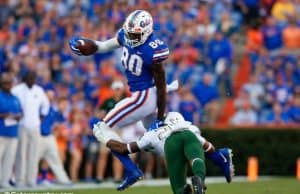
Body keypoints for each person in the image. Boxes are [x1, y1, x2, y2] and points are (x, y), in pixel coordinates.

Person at [70, 10, 173, 190]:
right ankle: (215, 156)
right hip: (140, 96)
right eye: (129, 32)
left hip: (143, 97)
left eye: (135, 34)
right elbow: (102, 46)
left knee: (99, 127)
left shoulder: (153, 50)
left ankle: (132, 169)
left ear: (147, 31)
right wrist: (87, 45)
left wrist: (160, 117)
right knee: (162, 143)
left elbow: (162, 87)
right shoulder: (126, 35)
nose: (131, 37)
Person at [99, 112, 234, 194]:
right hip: (188, 135)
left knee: (178, 187)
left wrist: (106, 139)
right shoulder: (185, 124)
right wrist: (218, 156)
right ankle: (199, 179)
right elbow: (207, 147)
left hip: (170, 145)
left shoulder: (150, 135)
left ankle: (183, 190)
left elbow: (124, 149)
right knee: (196, 159)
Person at [12, 71, 50, 187]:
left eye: (33, 78)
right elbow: (12, 103)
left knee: (34, 154)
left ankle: (31, 180)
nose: (32, 80)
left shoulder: (38, 90)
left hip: (35, 126)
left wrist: (41, 117)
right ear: (25, 79)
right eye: (30, 78)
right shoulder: (17, 90)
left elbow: (46, 105)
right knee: (21, 154)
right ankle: (19, 180)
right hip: (22, 125)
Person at [38, 90, 71, 185]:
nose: (50, 98)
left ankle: (63, 179)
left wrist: (56, 127)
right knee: (34, 159)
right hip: (39, 136)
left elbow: (57, 124)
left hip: (49, 136)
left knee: (55, 158)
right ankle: (29, 179)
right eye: (48, 96)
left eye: (52, 96)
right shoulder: (39, 108)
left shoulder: (52, 110)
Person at [0, 73, 22, 188]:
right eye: (5, 83)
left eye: (9, 83)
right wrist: (4, 115)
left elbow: (21, 112)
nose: (8, 85)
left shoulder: (15, 98)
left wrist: (18, 116)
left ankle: (5, 182)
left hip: (13, 132)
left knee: (9, 160)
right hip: (1, 132)